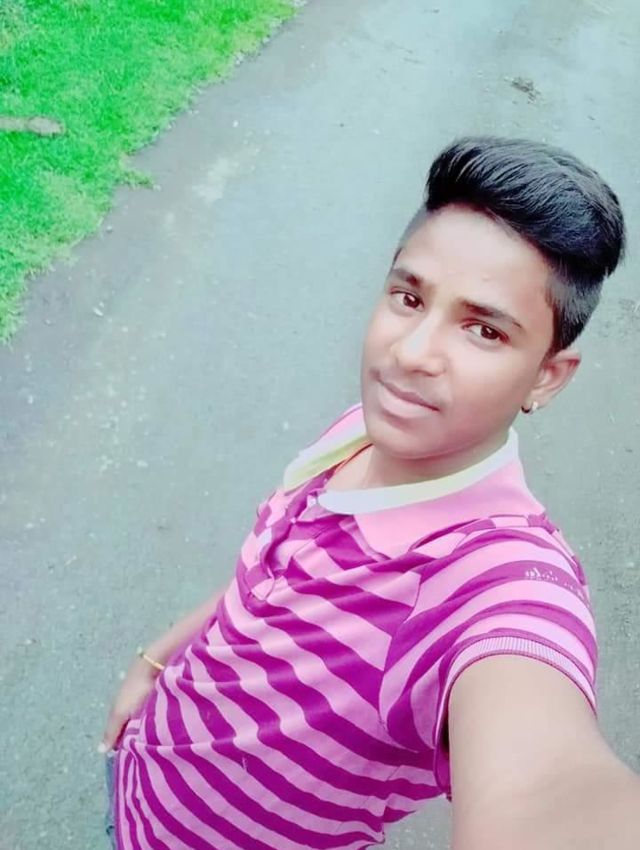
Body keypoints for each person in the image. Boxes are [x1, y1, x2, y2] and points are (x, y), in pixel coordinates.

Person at [100, 136, 640, 850]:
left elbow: (548, 785)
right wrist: (157, 662)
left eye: (483, 330)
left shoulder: (487, 582)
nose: (410, 354)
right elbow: (264, 575)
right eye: (409, 298)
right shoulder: (362, 431)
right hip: (134, 779)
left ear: (547, 376)